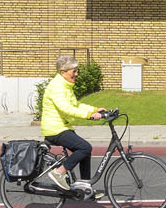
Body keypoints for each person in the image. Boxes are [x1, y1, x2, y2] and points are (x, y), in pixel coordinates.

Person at [39, 55, 114, 193]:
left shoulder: (65, 85)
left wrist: (94, 110)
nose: (76, 74)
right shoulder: (57, 87)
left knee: (85, 152)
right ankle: (59, 172)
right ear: (63, 72)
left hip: (62, 127)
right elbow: (66, 108)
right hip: (55, 129)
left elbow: (76, 105)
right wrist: (89, 116)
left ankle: (85, 187)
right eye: (73, 71)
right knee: (85, 148)